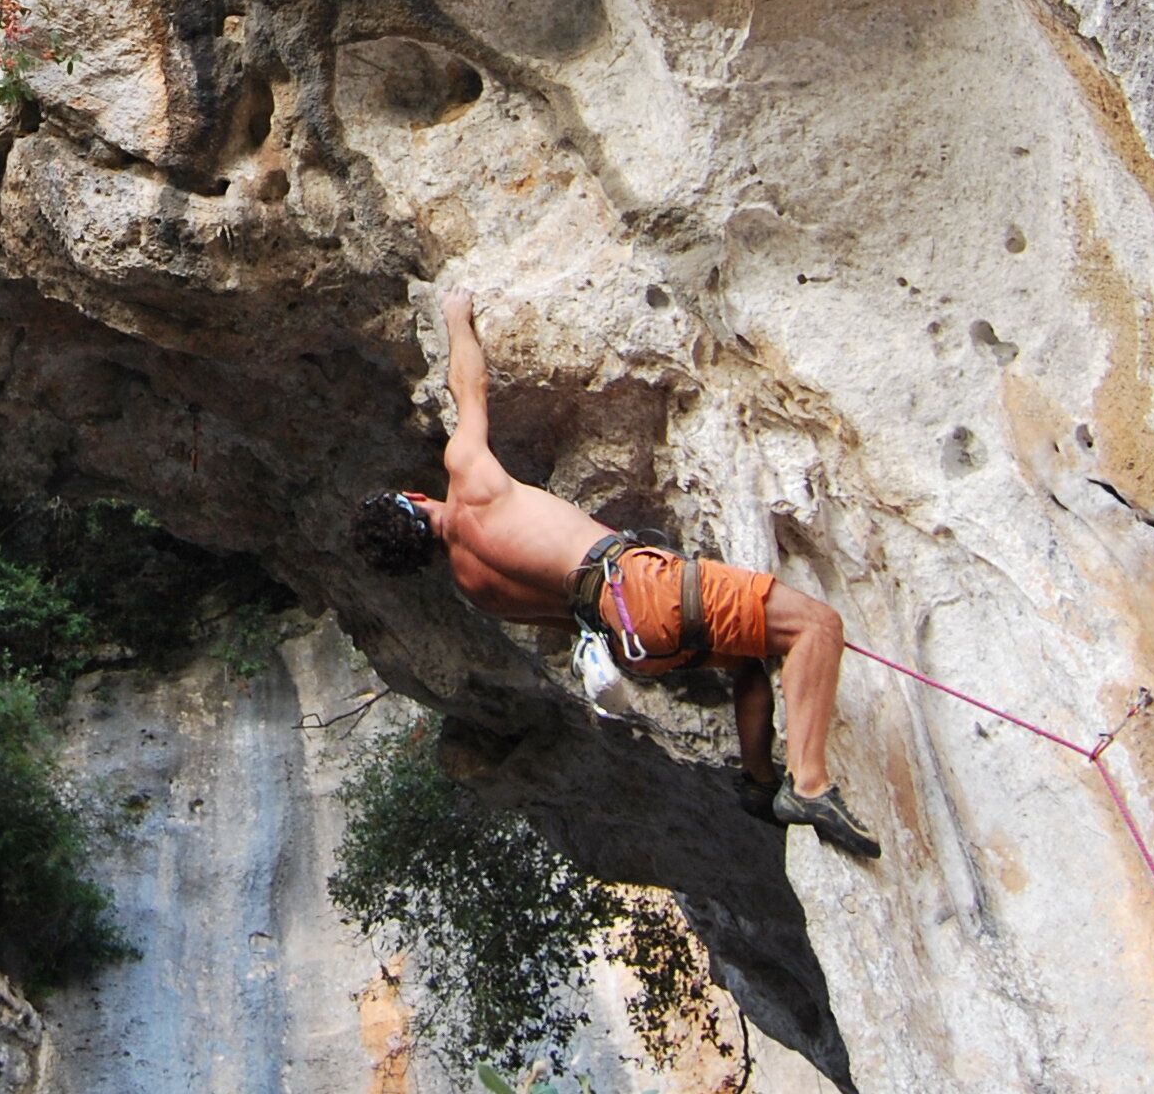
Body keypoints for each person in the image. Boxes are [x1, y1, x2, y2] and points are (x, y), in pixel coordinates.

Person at [351, 287, 881, 858]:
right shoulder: (469, 479)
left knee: (753, 653)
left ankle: (757, 781)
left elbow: (566, 614)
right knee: (816, 627)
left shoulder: (474, 588)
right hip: (644, 590)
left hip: (633, 642)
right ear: (413, 496)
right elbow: (468, 389)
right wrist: (457, 320)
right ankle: (807, 784)